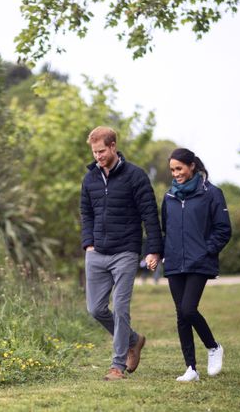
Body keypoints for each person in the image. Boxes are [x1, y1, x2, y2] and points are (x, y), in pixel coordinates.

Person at [80, 126, 163, 381]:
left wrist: (154, 250)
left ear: (114, 146)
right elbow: (86, 213)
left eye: (102, 151)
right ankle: (134, 340)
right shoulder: (90, 178)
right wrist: (88, 244)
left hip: (126, 251)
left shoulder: (135, 176)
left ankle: (117, 366)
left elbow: (150, 214)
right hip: (97, 252)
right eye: (95, 152)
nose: (98, 157)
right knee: (95, 309)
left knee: (121, 307)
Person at [161, 148, 231, 382]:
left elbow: (223, 230)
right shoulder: (169, 197)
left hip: (199, 262)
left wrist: (205, 251)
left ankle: (213, 347)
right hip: (173, 262)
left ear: (192, 166)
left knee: (189, 309)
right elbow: (166, 229)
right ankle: (191, 368)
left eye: (179, 168)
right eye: (172, 170)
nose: (175, 173)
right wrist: (160, 253)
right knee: (181, 315)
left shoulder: (212, 193)